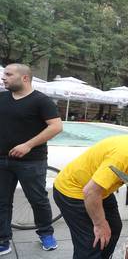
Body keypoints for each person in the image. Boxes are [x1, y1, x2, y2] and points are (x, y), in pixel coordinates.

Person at [0, 64, 63, 256]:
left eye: (9, 75)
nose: (4, 78)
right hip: (2, 160)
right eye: (4, 75)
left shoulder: (41, 101)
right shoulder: (1, 98)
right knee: (1, 202)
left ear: (25, 78)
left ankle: (46, 234)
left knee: (37, 200)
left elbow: (56, 127)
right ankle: (3, 240)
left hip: (32, 162)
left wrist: (28, 145)